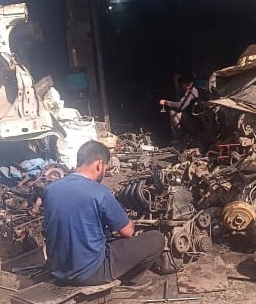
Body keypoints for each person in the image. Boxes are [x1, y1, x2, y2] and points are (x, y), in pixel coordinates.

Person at [42, 140, 164, 287]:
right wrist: (130, 221)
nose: (105, 173)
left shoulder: (50, 190)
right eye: (106, 168)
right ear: (99, 164)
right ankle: (129, 278)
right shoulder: (100, 192)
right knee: (156, 239)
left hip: (57, 270)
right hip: (89, 273)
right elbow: (128, 232)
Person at [159, 72, 200, 141]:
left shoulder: (191, 92)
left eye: (182, 85)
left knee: (173, 113)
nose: (181, 86)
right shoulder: (191, 89)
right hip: (192, 120)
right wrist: (176, 80)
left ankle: (179, 139)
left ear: (187, 84)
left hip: (195, 124)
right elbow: (178, 95)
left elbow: (180, 106)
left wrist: (166, 102)